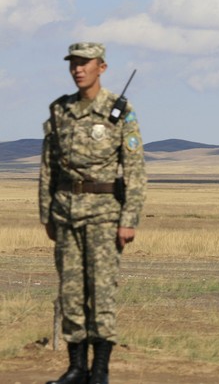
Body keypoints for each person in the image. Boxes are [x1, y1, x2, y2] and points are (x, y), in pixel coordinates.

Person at [39, 42, 146, 384]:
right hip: (66, 214)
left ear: (102, 67)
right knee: (70, 291)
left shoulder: (118, 110)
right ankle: (76, 368)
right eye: (73, 63)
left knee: (101, 292)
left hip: (104, 215)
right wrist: (47, 214)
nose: (78, 69)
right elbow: (48, 167)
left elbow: (134, 169)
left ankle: (100, 370)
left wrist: (129, 219)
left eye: (85, 63)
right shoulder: (60, 111)